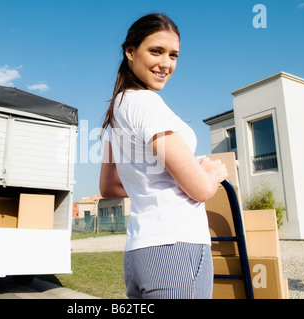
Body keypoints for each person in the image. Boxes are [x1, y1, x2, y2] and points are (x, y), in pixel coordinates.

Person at [99, 13, 228, 299]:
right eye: (155, 51)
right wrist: (214, 173)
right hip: (177, 248)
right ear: (130, 51)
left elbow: (108, 187)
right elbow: (202, 189)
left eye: (173, 55)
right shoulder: (147, 104)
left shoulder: (118, 108)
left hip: (139, 252)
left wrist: (156, 182)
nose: (166, 64)